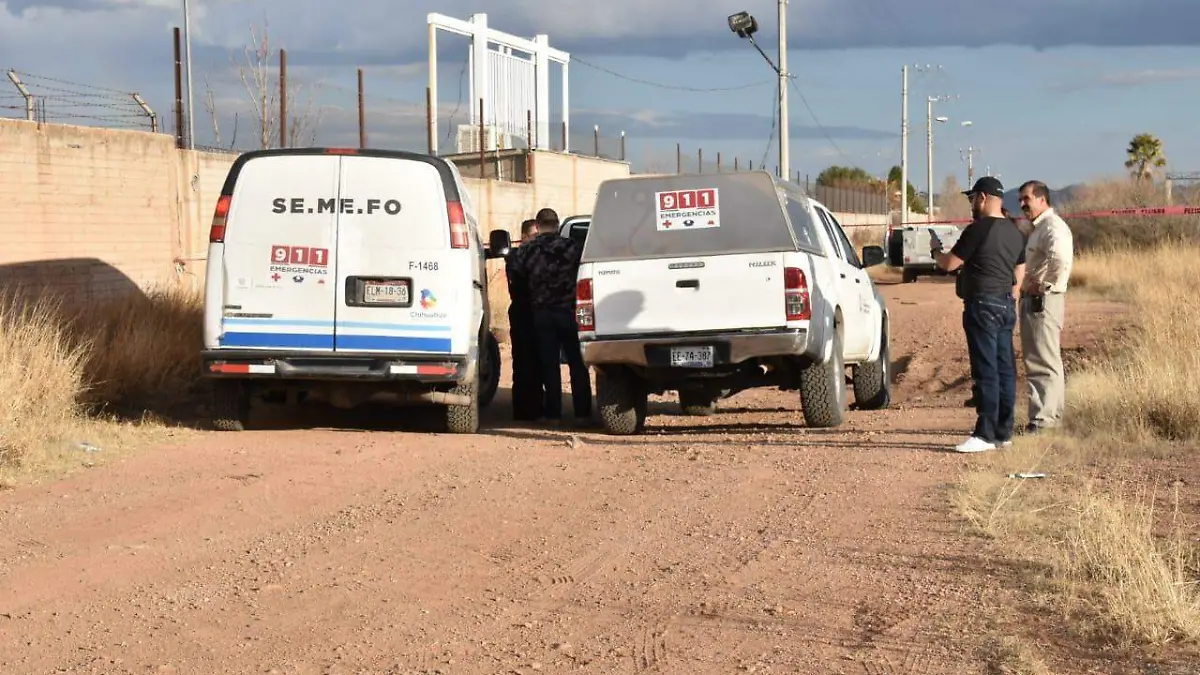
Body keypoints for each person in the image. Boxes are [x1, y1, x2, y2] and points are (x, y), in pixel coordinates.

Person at [931, 176, 1027, 453]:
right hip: (1005, 305)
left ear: (983, 197)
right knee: (1005, 368)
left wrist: (936, 251)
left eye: (972, 198)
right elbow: (1020, 266)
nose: (971, 203)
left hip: (982, 305)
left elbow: (950, 264)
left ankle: (984, 434)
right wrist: (1013, 293)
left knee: (986, 369)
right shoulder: (1015, 232)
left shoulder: (978, 230)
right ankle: (1003, 432)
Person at [507, 207, 593, 427]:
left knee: (549, 365)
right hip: (569, 313)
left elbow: (516, 277)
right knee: (577, 364)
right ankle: (583, 413)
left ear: (537, 225)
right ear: (557, 225)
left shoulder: (527, 250)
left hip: (542, 314)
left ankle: (554, 414)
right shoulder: (573, 247)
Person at [1017, 180, 1074, 434]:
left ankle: (1043, 421)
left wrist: (1042, 286)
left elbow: (1060, 259)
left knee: (1042, 361)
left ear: (1042, 199)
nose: (1022, 204)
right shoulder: (1039, 228)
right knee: (1044, 359)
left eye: (1026, 199)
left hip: (1042, 302)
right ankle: (1050, 417)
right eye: (1020, 199)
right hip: (1039, 301)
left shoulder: (1052, 226)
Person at [506, 218, 544, 421]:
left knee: (533, 362)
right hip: (524, 310)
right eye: (534, 236)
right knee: (524, 362)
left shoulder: (521, 255)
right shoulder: (518, 256)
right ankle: (526, 409)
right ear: (524, 237)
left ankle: (532, 407)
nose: (538, 239)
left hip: (530, 310)